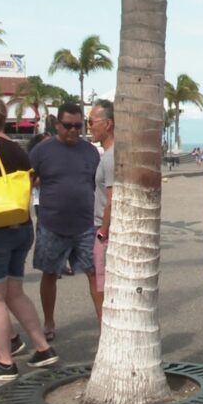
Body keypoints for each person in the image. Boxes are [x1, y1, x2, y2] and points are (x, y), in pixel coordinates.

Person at [0, 95, 59, 380]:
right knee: (14, 292)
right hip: (21, 226)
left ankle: (4, 363)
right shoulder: (18, 149)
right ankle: (43, 348)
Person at [30, 102, 101, 340]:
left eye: (78, 126)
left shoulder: (90, 151)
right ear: (57, 124)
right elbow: (27, 182)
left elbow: (97, 186)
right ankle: (49, 322)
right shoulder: (42, 151)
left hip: (85, 226)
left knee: (95, 274)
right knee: (49, 274)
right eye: (68, 125)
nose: (72, 130)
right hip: (52, 224)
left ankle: (104, 325)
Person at [88, 99, 114, 322]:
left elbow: (112, 201)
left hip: (105, 231)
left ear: (108, 124)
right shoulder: (108, 156)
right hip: (102, 228)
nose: (89, 127)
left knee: (103, 284)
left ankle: (107, 333)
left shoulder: (111, 158)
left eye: (92, 122)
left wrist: (103, 231)